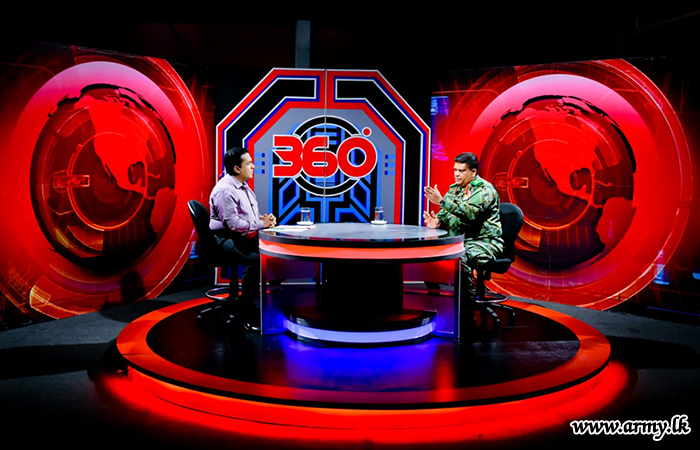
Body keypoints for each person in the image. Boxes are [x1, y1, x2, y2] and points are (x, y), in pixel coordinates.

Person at [423, 152, 504, 311]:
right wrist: (438, 221)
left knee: (459, 257)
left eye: (461, 171)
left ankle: (467, 304)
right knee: (430, 255)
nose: (456, 174)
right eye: (455, 170)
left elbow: (470, 214)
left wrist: (442, 201)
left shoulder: (485, 190)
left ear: (473, 172)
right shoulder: (454, 189)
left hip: (484, 242)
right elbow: (446, 214)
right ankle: (435, 302)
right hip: (460, 240)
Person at [209, 147, 276, 330]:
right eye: (249, 163)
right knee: (255, 261)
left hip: (241, 235)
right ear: (237, 168)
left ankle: (259, 302)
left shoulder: (244, 187)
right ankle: (246, 311)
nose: (253, 166)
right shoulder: (225, 190)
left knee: (271, 252)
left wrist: (264, 220)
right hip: (224, 238)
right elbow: (233, 224)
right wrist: (260, 224)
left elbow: (247, 218)